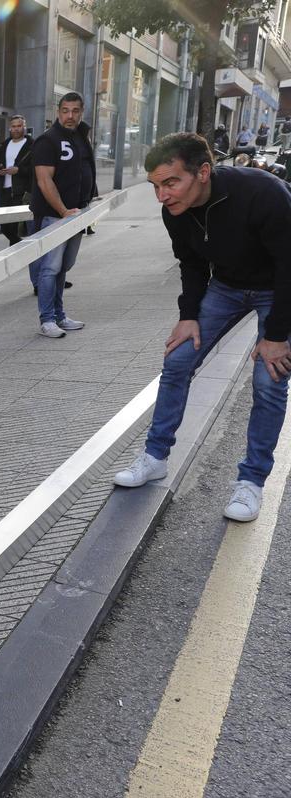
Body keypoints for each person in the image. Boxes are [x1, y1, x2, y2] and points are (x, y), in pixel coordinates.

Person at [114, 132, 291, 522]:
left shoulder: (264, 193)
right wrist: (188, 314)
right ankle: (155, 457)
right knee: (177, 360)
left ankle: (251, 482)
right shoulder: (174, 210)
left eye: (171, 182)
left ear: (204, 172)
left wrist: (276, 336)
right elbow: (192, 263)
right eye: (156, 186)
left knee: (269, 381)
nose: (162, 195)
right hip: (226, 287)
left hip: (276, 290)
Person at [30, 91, 96, 338]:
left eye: (75, 111)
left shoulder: (80, 137)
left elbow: (85, 171)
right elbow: (44, 181)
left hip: (76, 213)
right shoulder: (48, 140)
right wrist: (63, 211)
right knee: (50, 269)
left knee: (63, 268)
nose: (70, 116)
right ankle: (47, 320)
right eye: (65, 111)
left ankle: (59, 315)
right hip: (55, 215)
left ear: (81, 111)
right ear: (58, 112)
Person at [0, 115, 34, 247]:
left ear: (24, 127)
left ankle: (14, 250)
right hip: (5, 190)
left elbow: (36, 168)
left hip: (21, 191)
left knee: (15, 225)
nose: (16, 129)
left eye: (19, 126)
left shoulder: (32, 145)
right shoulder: (5, 145)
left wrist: (18, 170)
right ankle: (20, 246)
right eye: (13, 126)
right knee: (4, 226)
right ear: (10, 128)